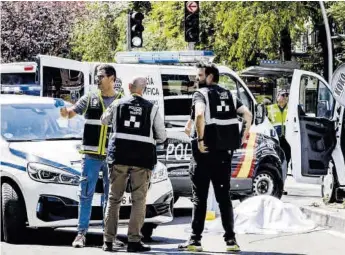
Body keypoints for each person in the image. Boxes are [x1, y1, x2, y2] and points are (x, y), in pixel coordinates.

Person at [179, 63, 252, 252]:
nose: (197, 78)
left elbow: (200, 115)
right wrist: (244, 133)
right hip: (223, 155)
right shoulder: (229, 95)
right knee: (223, 197)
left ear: (210, 76)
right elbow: (248, 115)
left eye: (200, 75)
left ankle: (195, 241)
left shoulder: (201, 94)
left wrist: (201, 139)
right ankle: (231, 241)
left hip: (204, 154)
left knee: (200, 198)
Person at [60, 64, 124, 248]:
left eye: (101, 76)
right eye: (97, 76)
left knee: (111, 197)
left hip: (112, 157)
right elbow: (72, 112)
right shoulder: (90, 97)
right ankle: (81, 234)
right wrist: (65, 113)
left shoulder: (121, 100)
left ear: (112, 78)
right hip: (91, 155)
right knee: (86, 194)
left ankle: (108, 236)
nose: (97, 79)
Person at [101, 77, 167, 252]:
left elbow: (103, 120)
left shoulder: (117, 104)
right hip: (142, 160)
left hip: (119, 157)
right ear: (143, 90)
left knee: (114, 199)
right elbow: (162, 135)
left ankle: (108, 241)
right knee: (139, 200)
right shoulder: (152, 108)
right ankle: (134, 241)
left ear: (129, 87)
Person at [267, 89, 291, 164]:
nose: (285, 97)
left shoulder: (291, 108)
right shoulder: (270, 108)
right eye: (283, 95)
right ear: (277, 96)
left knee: (287, 155)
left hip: (288, 138)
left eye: (287, 95)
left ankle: (285, 170)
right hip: (275, 137)